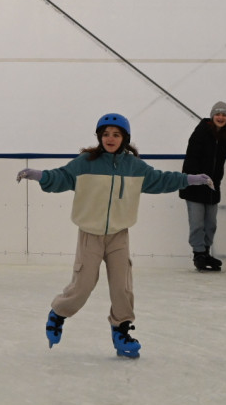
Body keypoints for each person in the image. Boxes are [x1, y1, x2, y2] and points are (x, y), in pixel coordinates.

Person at [16, 113, 213, 358]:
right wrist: (39, 175)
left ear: (125, 138)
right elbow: (62, 177)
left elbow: (160, 180)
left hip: (119, 234)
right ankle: (59, 312)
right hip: (90, 233)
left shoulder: (134, 166)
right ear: (99, 137)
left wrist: (190, 179)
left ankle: (121, 330)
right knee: (83, 284)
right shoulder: (86, 162)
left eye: (116, 134)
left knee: (122, 286)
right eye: (106, 134)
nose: (110, 138)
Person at [179, 101, 226, 272]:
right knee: (197, 223)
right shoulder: (201, 132)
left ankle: (205, 252)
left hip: (213, 187)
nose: (221, 117)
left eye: (224, 115)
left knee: (211, 223)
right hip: (195, 185)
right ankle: (198, 254)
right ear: (212, 116)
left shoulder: (225, 136)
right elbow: (191, 158)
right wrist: (195, 179)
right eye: (218, 114)